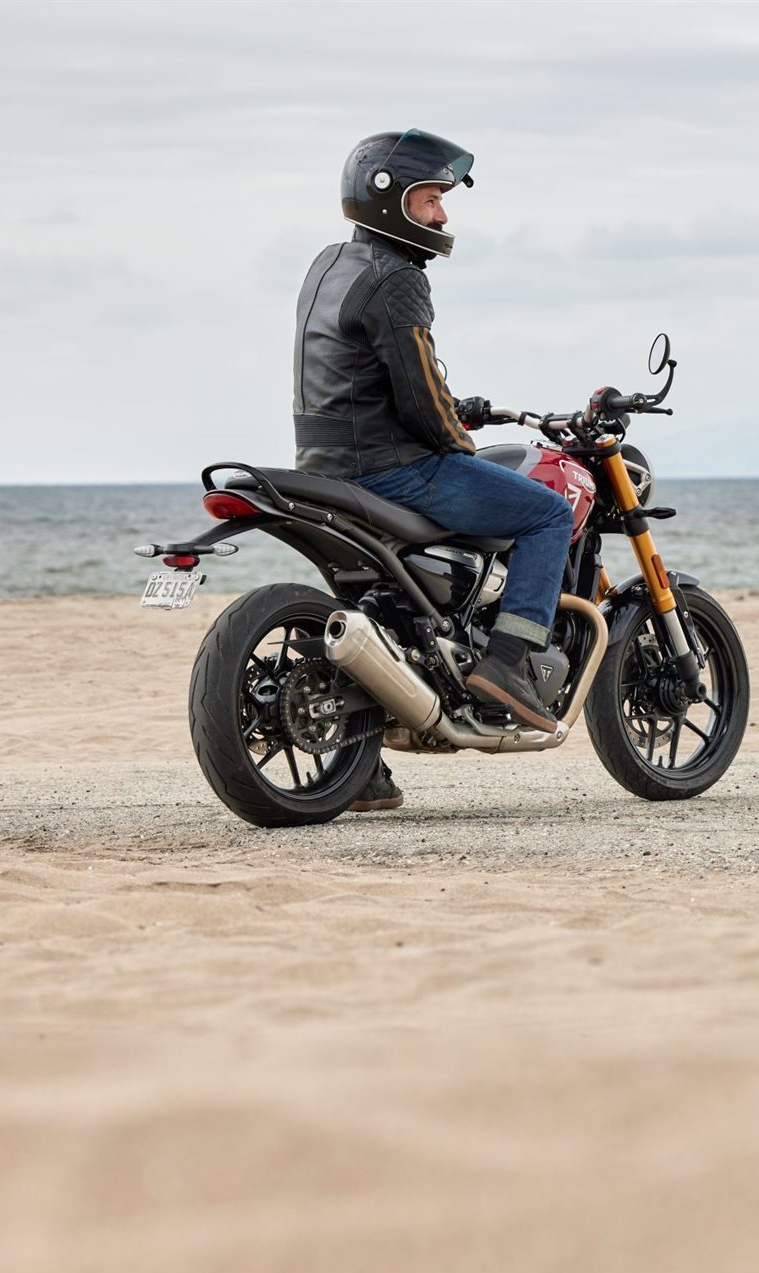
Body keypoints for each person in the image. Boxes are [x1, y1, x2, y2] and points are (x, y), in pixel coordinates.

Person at [290, 129, 575, 811]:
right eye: (430, 201)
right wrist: (459, 443)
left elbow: (366, 375)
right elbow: (420, 399)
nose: (443, 216)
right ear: (389, 201)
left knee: (376, 603)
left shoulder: (329, 264)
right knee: (547, 512)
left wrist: (453, 408)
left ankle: (359, 766)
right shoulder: (398, 278)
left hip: (323, 464)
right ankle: (509, 665)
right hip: (390, 469)